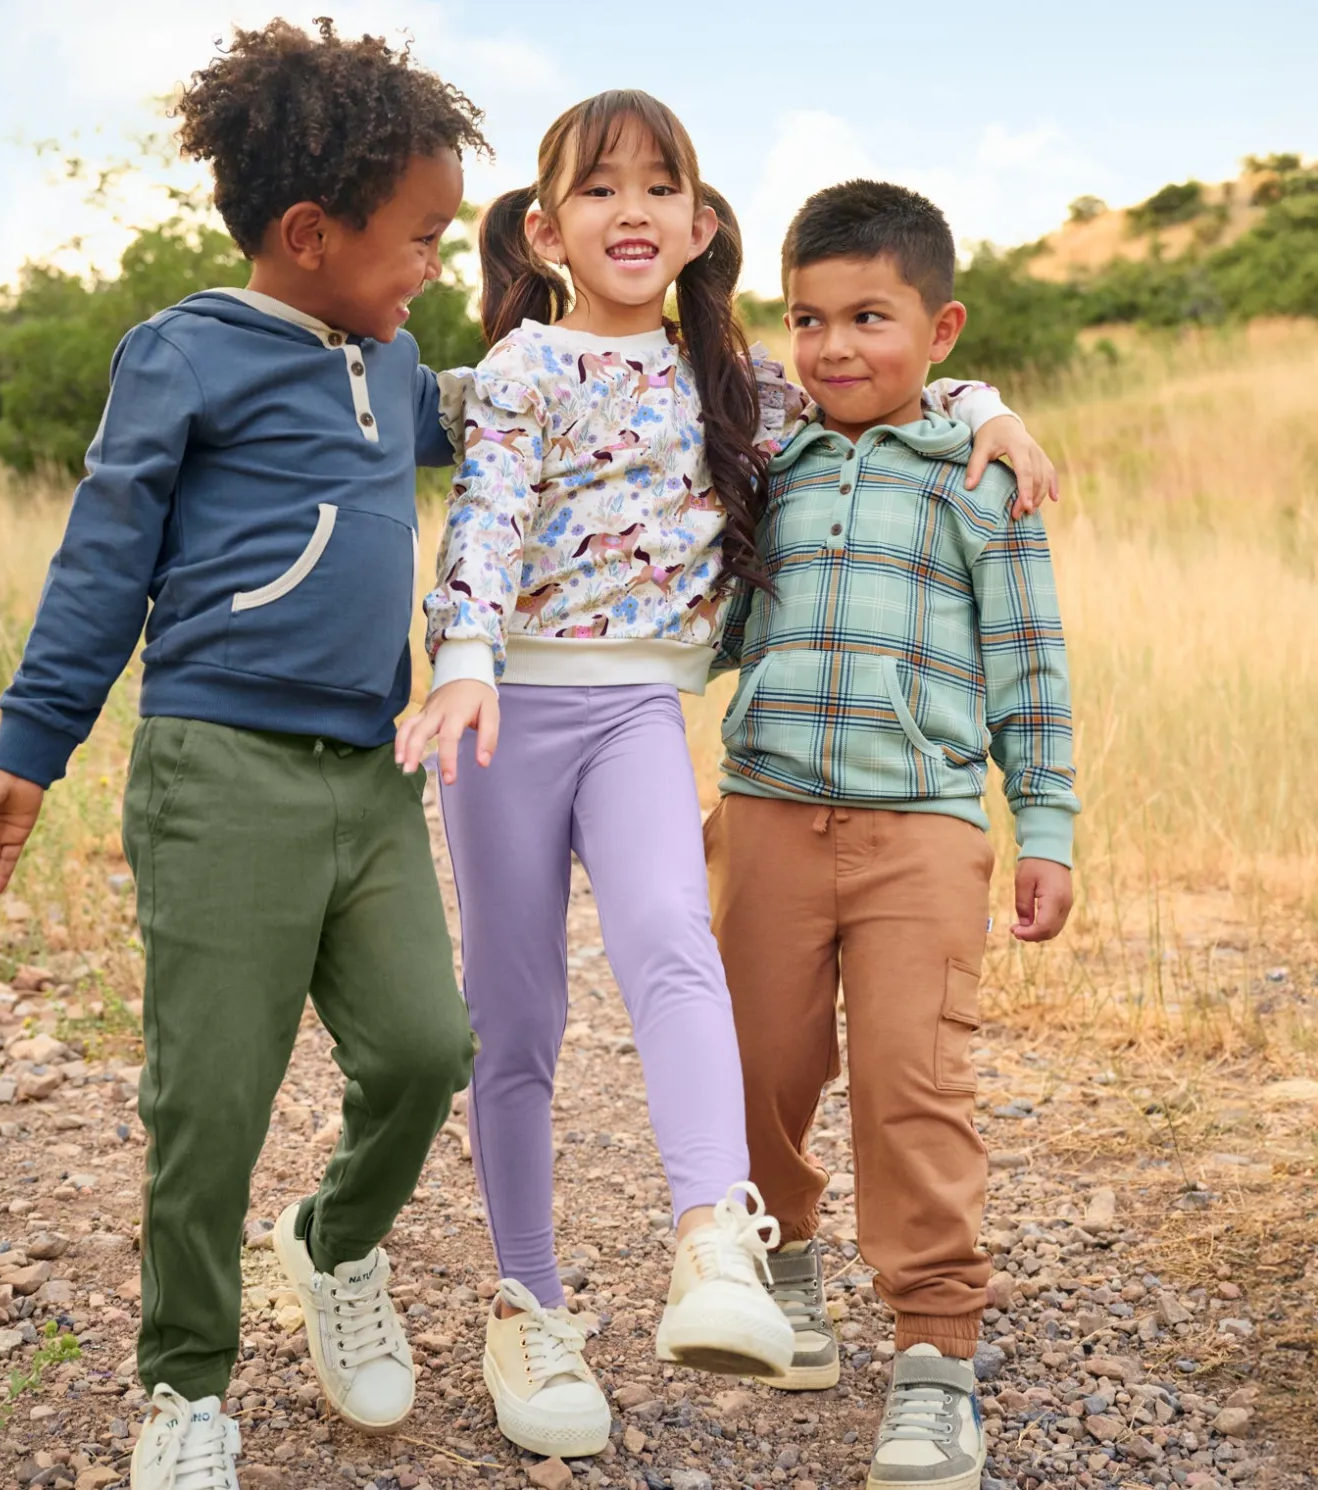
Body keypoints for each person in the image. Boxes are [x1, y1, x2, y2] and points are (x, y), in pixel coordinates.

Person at [395, 90, 1056, 1460]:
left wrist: (983, 400)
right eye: (596, 189)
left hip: (640, 706)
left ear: (701, 227)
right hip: (501, 709)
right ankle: (528, 1299)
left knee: (669, 948)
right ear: (544, 226)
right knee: (512, 1020)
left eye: (658, 188)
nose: (628, 210)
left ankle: (718, 1242)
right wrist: (460, 650)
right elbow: (491, 501)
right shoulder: (517, 368)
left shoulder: (743, 387)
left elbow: (884, 386)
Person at [0, 20, 487, 1488]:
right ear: (310, 233)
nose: (432, 262)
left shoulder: (394, 361)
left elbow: (497, 418)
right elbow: (102, 559)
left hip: (372, 778)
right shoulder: (186, 354)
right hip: (220, 771)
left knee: (430, 1049)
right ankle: (186, 1383)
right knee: (211, 1099)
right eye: (419, 236)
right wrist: (27, 751)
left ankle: (332, 1245)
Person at [707, 179, 1079, 1490]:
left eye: (869, 316)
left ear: (941, 326)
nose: (835, 347)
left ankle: (933, 1354)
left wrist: (1045, 823)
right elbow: (716, 632)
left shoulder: (982, 477)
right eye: (808, 320)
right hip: (761, 817)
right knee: (757, 1062)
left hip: (919, 830)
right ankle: (784, 1259)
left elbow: (1029, 665)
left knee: (912, 1085)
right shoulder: (770, 465)